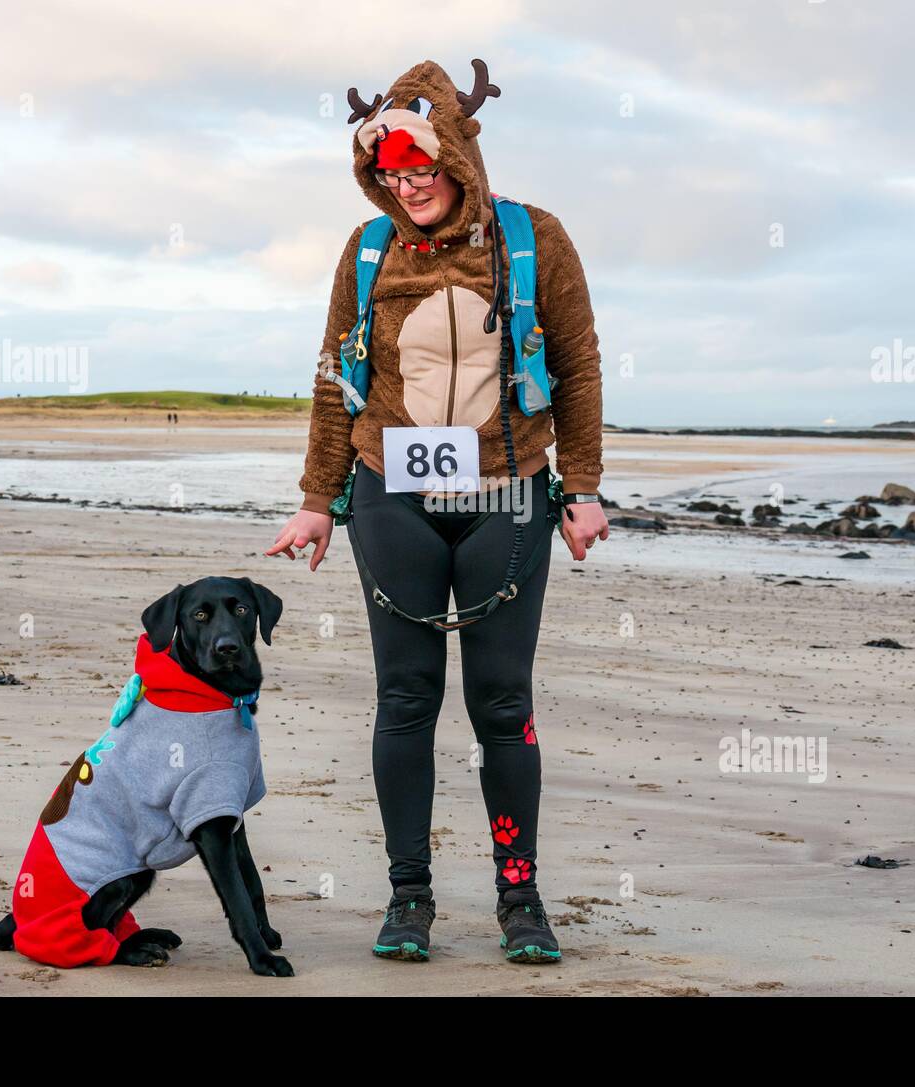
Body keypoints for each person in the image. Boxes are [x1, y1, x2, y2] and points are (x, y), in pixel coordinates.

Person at [267, 59, 607, 963]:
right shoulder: (367, 249)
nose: (409, 184)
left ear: (460, 155)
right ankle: (407, 899)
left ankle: (520, 898)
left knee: (503, 703)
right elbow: (335, 375)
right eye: (392, 171)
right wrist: (315, 501)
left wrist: (580, 488)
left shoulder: (532, 239)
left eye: (424, 167)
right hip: (392, 494)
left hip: (508, 492)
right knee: (405, 697)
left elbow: (577, 364)